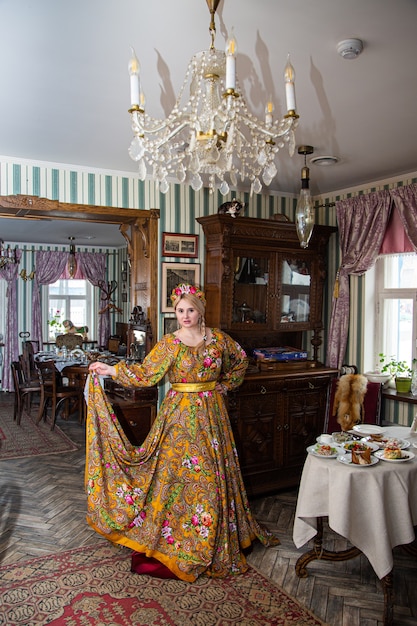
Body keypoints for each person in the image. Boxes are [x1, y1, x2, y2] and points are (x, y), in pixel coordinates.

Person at [87, 283, 279, 582]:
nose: (185, 316)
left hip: (212, 414)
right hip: (178, 417)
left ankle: (214, 534)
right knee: (177, 476)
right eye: (180, 311)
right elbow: (146, 374)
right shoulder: (169, 343)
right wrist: (111, 371)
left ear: (200, 310)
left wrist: (224, 385)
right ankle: (175, 534)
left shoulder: (218, 339)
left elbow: (241, 361)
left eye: (190, 310)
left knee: (213, 475)